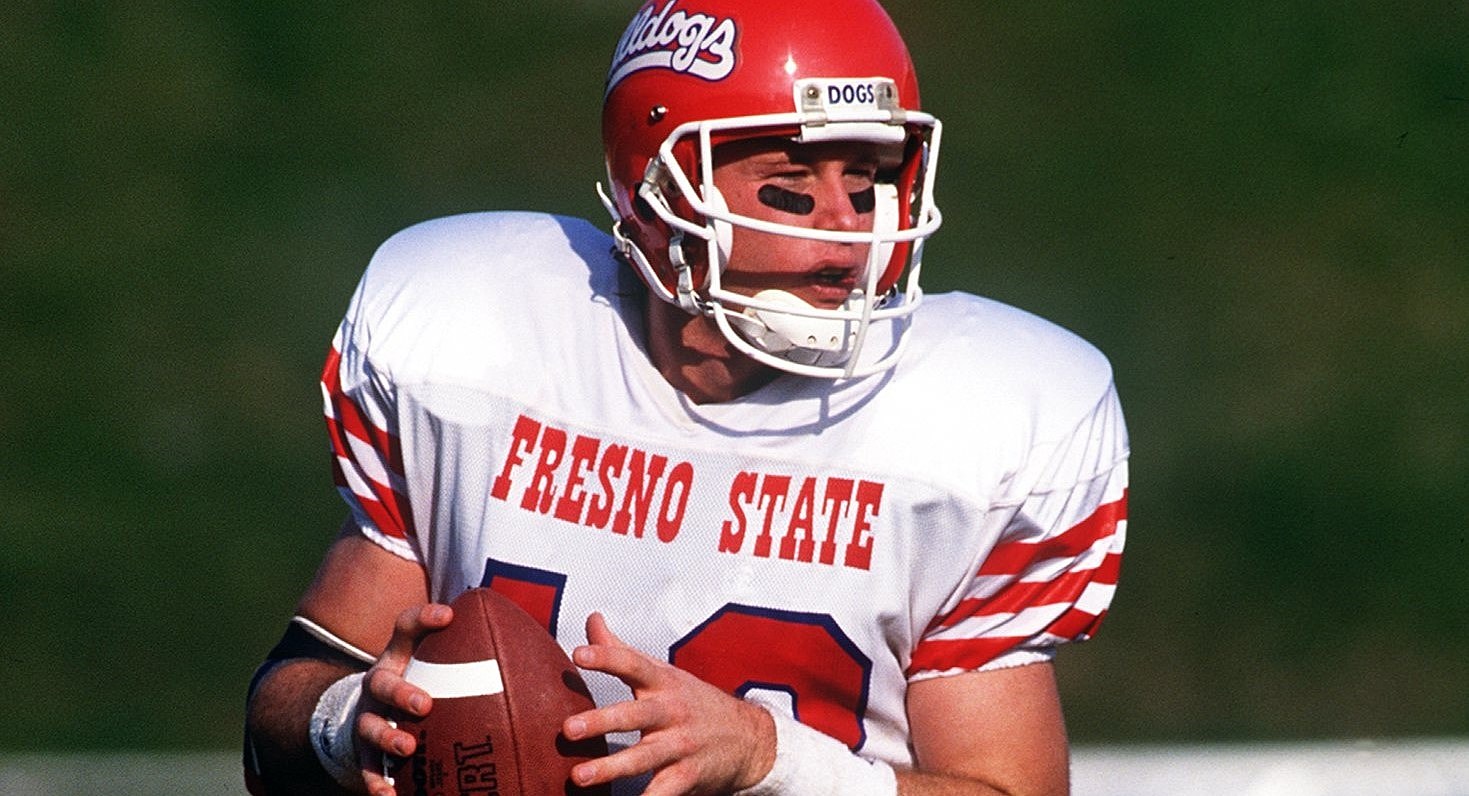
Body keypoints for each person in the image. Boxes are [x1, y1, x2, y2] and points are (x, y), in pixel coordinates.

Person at [243, 1, 1130, 794]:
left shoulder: (982, 419)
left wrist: (772, 759)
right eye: (789, 189)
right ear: (661, 195)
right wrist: (343, 722)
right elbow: (280, 716)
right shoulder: (470, 341)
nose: (848, 232)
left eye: (867, 184)